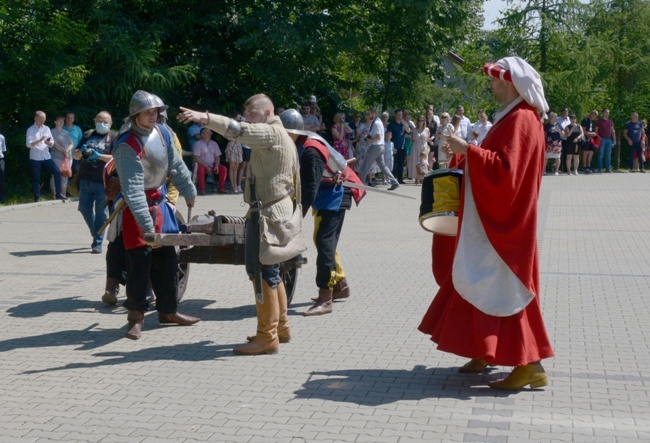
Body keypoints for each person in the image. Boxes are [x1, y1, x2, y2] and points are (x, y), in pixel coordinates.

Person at [419, 56, 554, 390]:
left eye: (494, 80)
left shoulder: (521, 119)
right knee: (476, 283)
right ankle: (483, 350)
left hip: (504, 229)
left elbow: (506, 172)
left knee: (506, 291)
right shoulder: (514, 117)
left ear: (509, 83)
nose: (491, 86)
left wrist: (470, 150)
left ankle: (530, 364)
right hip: (492, 224)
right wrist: (469, 153)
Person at [178, 93, 299, 356]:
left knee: (261, 273)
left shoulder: (271, 133)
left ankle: (267, 337)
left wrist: (205, 118)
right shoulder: (280, 135)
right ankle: (280, 328)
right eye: (246, 115)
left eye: (253, 114)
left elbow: (238, 131)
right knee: (271, 270)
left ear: (267, 114)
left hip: (266, 214)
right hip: (272, 211)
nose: (248, 119)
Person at [113, 90, 199, 339]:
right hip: (137, 210)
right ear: (136, 115)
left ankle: (168, 311)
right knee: (139, 265)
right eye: (148, 112)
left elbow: (176, 164)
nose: (153, 116)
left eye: (156, 112)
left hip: (161, 206)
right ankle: (136, 317)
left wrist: (189, 190)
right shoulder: (126, 144)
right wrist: (145, 223)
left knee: (168, 263)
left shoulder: (163, 133)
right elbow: (133, 188)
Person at [280, 109, 365, 316]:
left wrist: (295, 217)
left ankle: (325, 298)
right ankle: (341, 286)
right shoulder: (297, 144)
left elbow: (309, 189)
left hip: (338, 190)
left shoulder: (310, 150)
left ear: (293, 132)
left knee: (325, 242)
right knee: (323, 241)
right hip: (325, 192)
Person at [73, 111, 115, 254]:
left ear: (110, 124)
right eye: (99, 121)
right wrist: (82, 152)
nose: (102, 124)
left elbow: (116, 158)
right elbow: (75, 154)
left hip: (103, 181)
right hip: (86, 179)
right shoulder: (88, 135)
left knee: (101, 213)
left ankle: (97, 242)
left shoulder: (114, 137)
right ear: (94, 121)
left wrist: (99, 156)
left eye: (105, 122)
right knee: (84, 208)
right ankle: (96, 232)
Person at [26, 111, 66, 202]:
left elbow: (51, 142)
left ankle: (59, 194)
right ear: (35, 119)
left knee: (57, 172)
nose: (42, 122)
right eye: (40, 120)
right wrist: (39, 140)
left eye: (43, 120)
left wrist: (49, 143)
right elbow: (28, 144)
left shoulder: (46, 128)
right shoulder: (30, 130)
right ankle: (37, 197)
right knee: (36, 177)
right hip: (35, 157)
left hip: (46, 156)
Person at [357, 107, 399, 190]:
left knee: (366, 165)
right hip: (381, 146)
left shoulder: (376, 123)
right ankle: (394, 182)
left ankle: (359, 184)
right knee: (383, 166)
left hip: (376, 146)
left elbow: (378, 137)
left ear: (373, 113)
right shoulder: (378, 121)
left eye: (369, 114)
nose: (368, 116)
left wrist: (370, 140)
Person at [192, 127, 228, 194]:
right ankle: (202, 189)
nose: (210, 134)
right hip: (201, 165)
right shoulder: (198, 144)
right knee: (201, 169)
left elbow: (217, 157)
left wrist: (217, 165)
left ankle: (221, 188)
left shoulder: (214, 144)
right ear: (202, 134)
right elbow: (196, 158)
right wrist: (206, 166)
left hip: (212, 164)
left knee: (223, 169)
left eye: (210, 132)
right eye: (207, 132)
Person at [49, 116, 73, 199]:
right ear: (55, 122)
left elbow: (71, 144)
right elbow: (54, 144)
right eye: (59, 121)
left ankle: (63, 194)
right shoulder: (52, 132)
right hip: (57, 156)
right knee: (55, 175)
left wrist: (67, 151)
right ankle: (55, 195)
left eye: (62, 121)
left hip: (67, 157)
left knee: (65, 176)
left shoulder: (66, 133)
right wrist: (63, 151)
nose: (61, 123)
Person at [387, 109, 412, 184]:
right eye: (398, 114)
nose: (400, 116)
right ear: (395, 115)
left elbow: (408, 131)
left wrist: (404, 123)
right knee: (394, 163)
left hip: (402, 146)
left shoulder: (403, 124)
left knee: (401, 163)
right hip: (394, 146)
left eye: (401, 115)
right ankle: (393, 178)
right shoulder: (391, 124)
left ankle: (400, 179)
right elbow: (389, 134)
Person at [408, 114, 431, 180]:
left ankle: (423, 176)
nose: (420, 122)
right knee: (415, 161)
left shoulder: (427, 129)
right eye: (419, 120)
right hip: (415, 146)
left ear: (424, 121)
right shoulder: (414, 129)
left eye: (422, 120)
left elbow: (428, 139)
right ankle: (415, 176)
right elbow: (412, 139)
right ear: (417, 121)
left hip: (423, 146)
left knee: (424, 162)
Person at [595, 108, 616, 173]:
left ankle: (608, 168)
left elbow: (613, 131)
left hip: (609, 139)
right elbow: (596, 131)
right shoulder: (599, 121)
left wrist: (614, 139)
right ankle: (600, 168)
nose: (607, 114)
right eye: (606, 112)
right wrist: (599, 138)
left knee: (608, 154)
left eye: (608, 113)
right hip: (602, 139)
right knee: (601, 154)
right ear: (602, 113)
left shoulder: (610, 121)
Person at [0, 126, 5, 204]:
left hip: (0, 159)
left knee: (1, 179)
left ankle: (2, 200)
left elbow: (3, 150)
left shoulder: (1, 137)